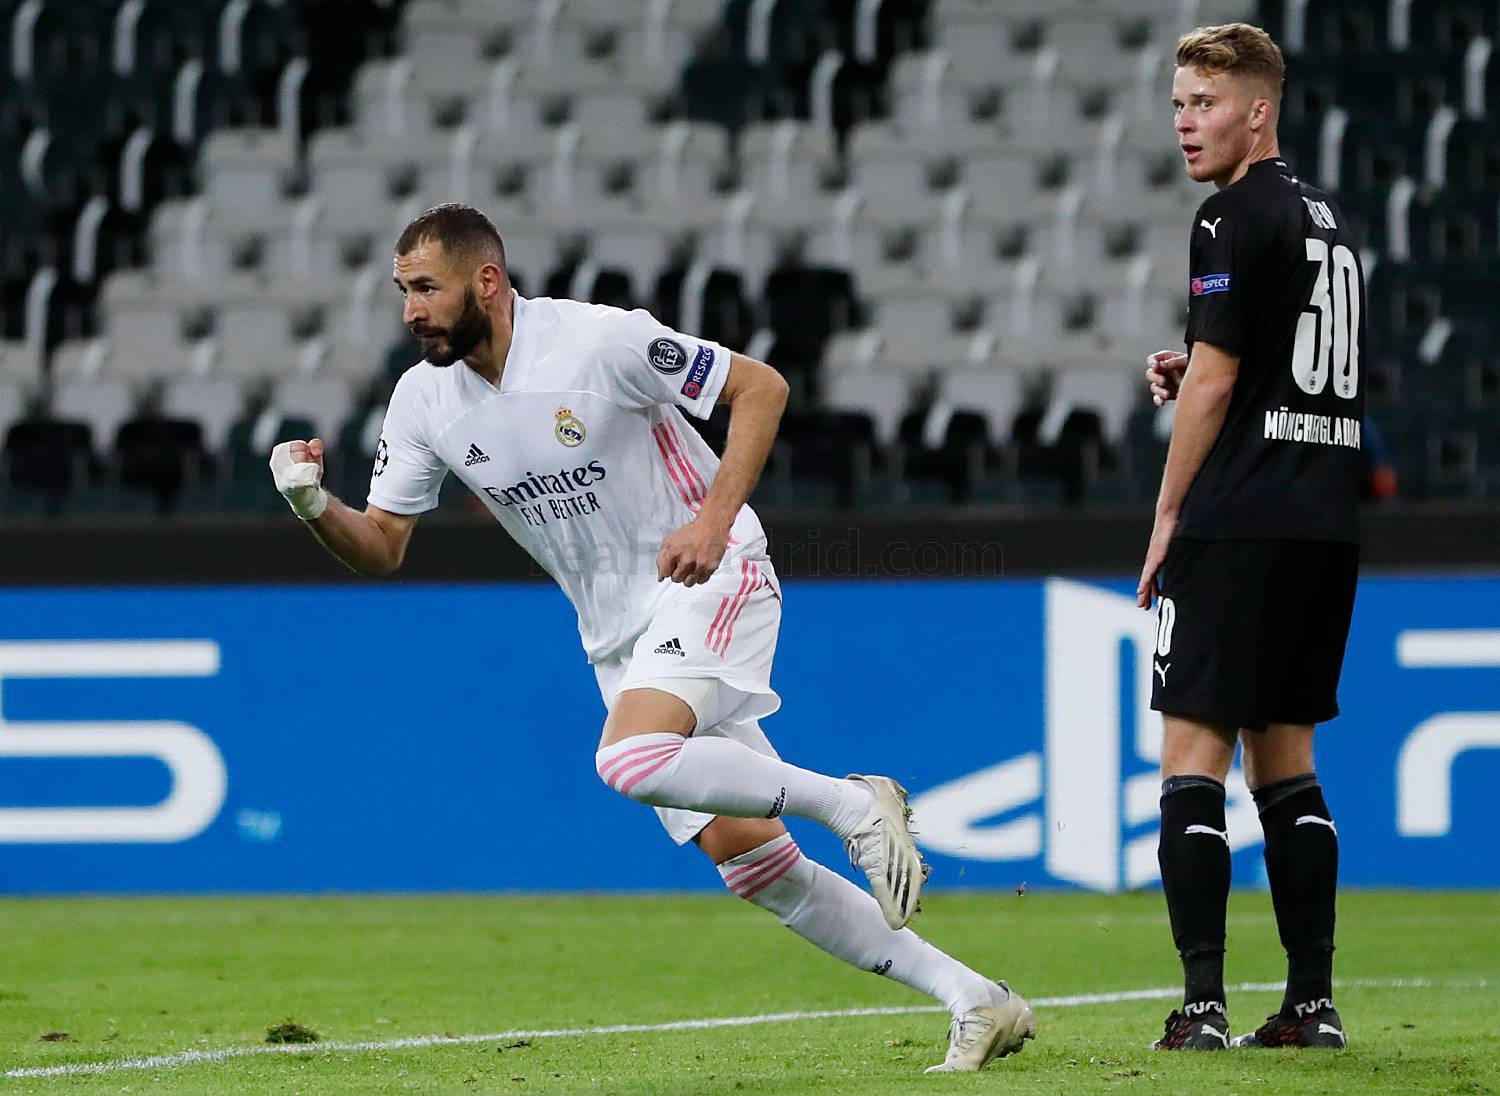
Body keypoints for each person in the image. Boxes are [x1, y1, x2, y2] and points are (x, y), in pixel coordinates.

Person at [268, 203, 1034, 1073]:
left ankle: (855, 805)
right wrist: (311, 503)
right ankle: (977, 999)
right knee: (756, 867)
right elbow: (382, 546)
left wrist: (712, 521)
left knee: (628, 760)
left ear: (486, 281)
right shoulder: (422, 399)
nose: (411, 310)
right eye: (402, 291)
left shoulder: (599, 342)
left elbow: (761, 388)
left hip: (710, 574)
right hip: (617, 637)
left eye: (426, 288)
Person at [1138, 24, 1364, 1052]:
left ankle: (1201, 1006)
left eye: (1205, 103)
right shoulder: (1329, 221)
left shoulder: (1229, 214)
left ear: (1258, 109)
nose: (1186, 123)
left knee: (1193, 757)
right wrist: (1198, 367)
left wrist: (1168, 514)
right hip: (1323, 522)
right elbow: (1278, 367)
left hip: (1237, 522)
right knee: (1288, 763)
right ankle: (1312, 1003)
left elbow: (1222, 379)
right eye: (1179, 104)